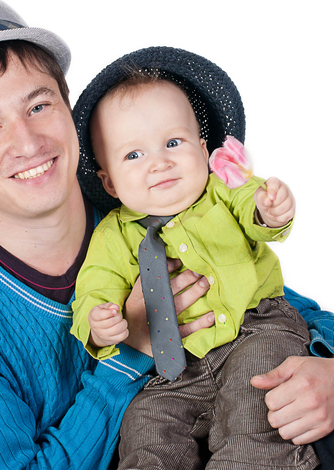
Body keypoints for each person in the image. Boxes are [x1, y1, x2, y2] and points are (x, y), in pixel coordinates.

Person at [0, 0, 334, 470]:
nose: (29, 141)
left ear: (68, 108)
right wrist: (132, 351)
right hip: (163, 435)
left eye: (39, 105)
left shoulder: (140, 205)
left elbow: (273, 301)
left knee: (297, 418)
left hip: (230, 420)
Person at [69, 52, 316, 469]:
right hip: (178, 365)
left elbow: (250, 203)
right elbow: (96, 283)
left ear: (203, 151)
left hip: (256, 329)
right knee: (146, 422)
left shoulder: (222, 190)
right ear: (109, 181)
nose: (159, 163)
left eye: (173, 143)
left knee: (256, 406)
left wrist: (268, 210)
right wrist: (99, 321)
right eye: (133, 155)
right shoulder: (114, 235)